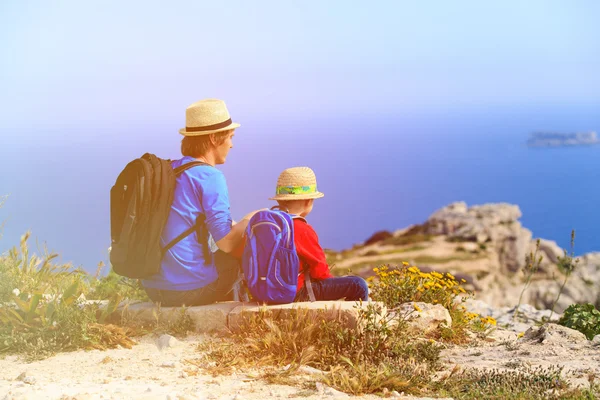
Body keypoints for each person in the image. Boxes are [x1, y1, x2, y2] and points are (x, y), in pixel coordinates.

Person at [142, 99, 260, 307]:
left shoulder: (170, 171)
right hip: (188, 292)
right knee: (243, 254)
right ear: (214, 138)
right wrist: (250, 219)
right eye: (230, 137)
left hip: (154, 289)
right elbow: (226, 243)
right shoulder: (209, 176)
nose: (232, 144)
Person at [269, 166, 369, 302]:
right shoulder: (300, 228)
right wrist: (331, 287)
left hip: (266, 291)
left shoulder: (270, 224)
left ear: (279, 200)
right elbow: (320, 271)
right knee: (358, 285)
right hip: (296, 293)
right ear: (308, 201)